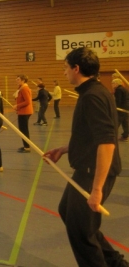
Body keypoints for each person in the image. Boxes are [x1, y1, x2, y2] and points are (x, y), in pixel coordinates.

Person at [44, 48, 128, 267]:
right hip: (86, 170)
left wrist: (97, 189)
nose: (64, 73)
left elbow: (107, 142)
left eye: (65, 68)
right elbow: (88, 136)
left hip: (94, 174)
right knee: (70, 214)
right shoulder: (94, 92)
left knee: (81, 231)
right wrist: (64, 149)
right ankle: (116, 263)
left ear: (76, 68)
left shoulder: (93, 96)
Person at [13, 74, 33, 153]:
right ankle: (25, 146)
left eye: (18, 79)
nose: (16, 80)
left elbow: (28, 101)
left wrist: (17, 106)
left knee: (24, 130)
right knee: (22, 130)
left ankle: (27, 147)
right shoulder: (21, 88)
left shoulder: (24, 88)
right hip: (23, 111)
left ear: (23, 80)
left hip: (25, 112)